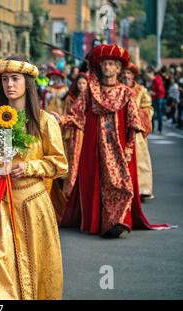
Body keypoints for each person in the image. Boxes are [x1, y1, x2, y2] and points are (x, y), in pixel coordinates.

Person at [0, 57, 68, 300]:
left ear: (27, 83)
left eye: (15, 79)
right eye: (4, 79)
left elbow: (59, 164)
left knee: (37, 269)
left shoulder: (45, 121)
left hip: (34, 202)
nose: (9, 85)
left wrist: (29, 166)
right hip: (0, 204)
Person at [58, 45, 169, 237]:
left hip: (118, 148)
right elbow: (75, 115)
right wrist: (58, 119)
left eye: (112, 64)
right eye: (105, 64)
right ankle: (104, 222)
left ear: (118, 69)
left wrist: (129, 148)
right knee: (99, 184)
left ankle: (118, 221)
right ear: (100, 68)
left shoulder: (126, 93)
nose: (108, 67)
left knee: (121, 184)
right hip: (95, 147)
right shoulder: (91, 92)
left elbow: (134, 124)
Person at [120, 63, 154, 199]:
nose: (126, 76)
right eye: (124, 73)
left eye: (129, 73)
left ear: (133, 75)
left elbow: (148, 108)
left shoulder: (141, 90)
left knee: (141, 159)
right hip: (121, 128)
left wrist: (137, 115)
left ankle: (143, 189)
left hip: (137, 130)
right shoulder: (117, 89)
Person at [61, 72, 88, 198]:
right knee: (73, 161)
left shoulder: (91, 98)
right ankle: (70, 189)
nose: (82, 86)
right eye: (80, 83)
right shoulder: (70, 98)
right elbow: (66, 114)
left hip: (87, 133)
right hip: (73, 133)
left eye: (84, 83)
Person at [151, 70, 165, 135]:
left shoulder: (157, 80)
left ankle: (159, 130)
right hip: (155, 98)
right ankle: (152, 129)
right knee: (153, 114)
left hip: (158, 98)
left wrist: (154, 93)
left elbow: (161, 90)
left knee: (158, 115)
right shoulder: (155, 80)